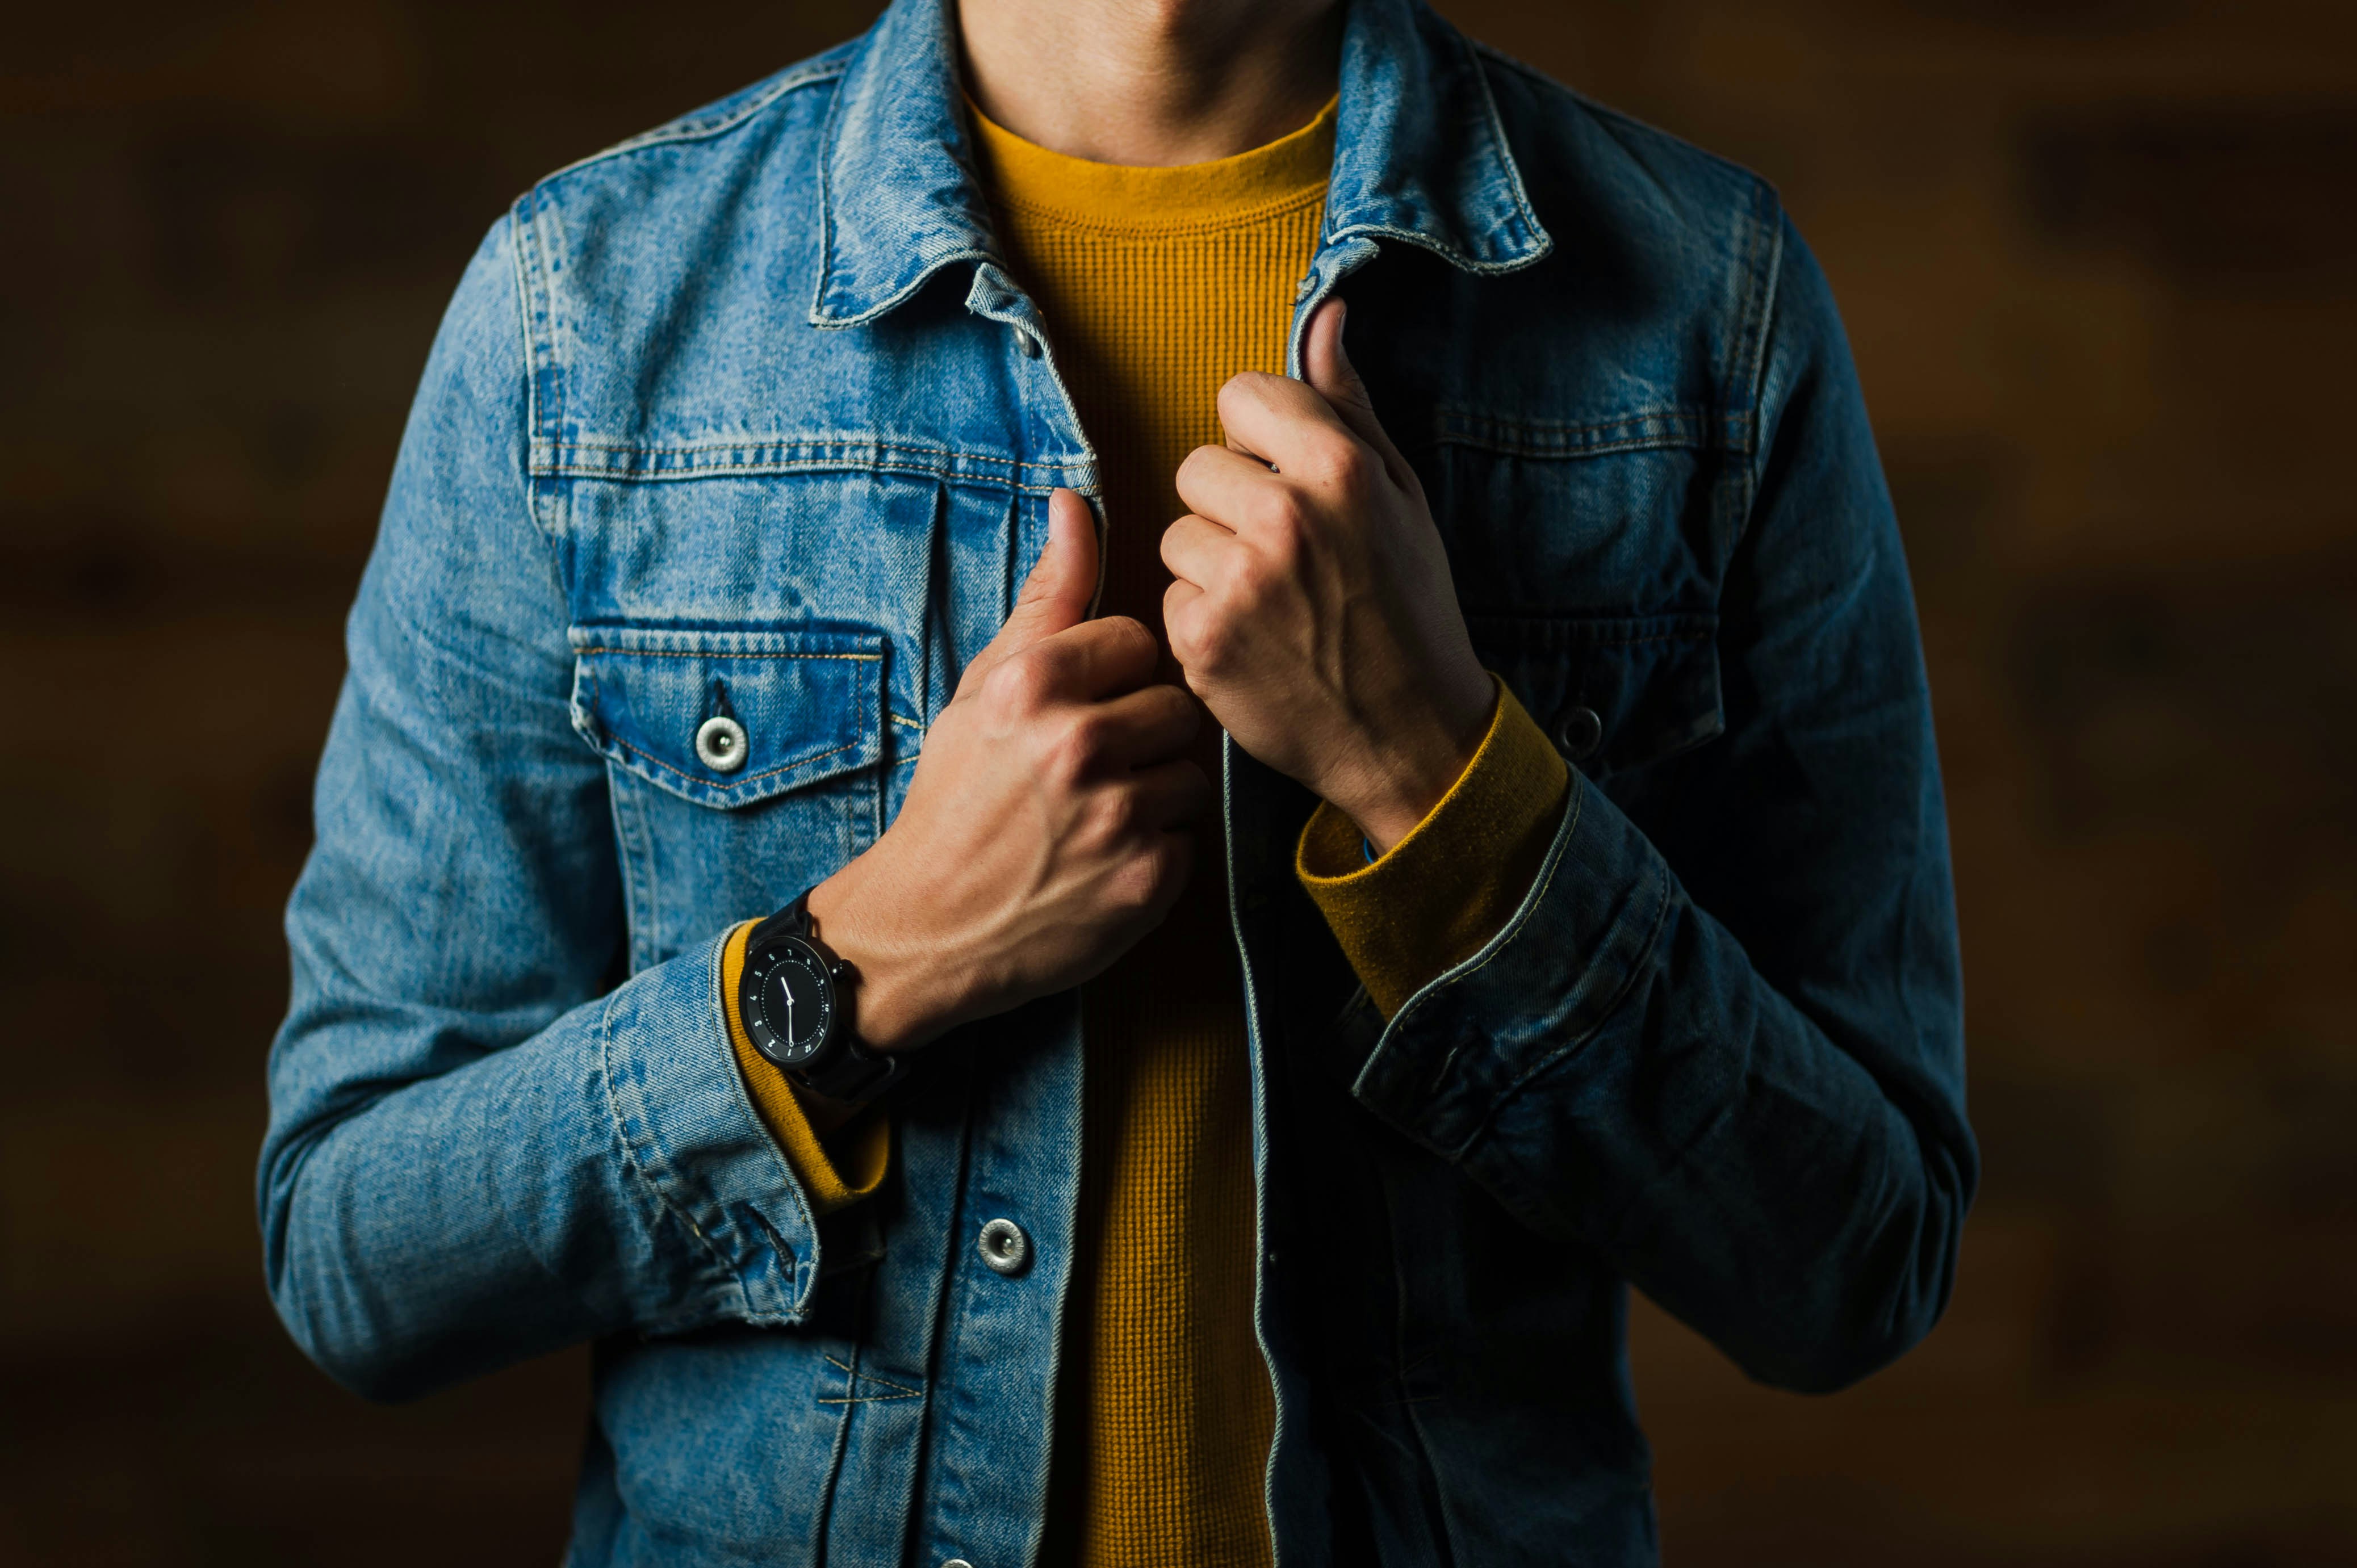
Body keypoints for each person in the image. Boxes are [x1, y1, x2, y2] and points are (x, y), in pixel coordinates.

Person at [257, 0, 1976, 1559]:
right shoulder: (588, 311)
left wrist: (1442, 780)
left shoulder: (1704, 312)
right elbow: (355, 1244)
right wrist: (855, 969)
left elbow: (1852, 1265)